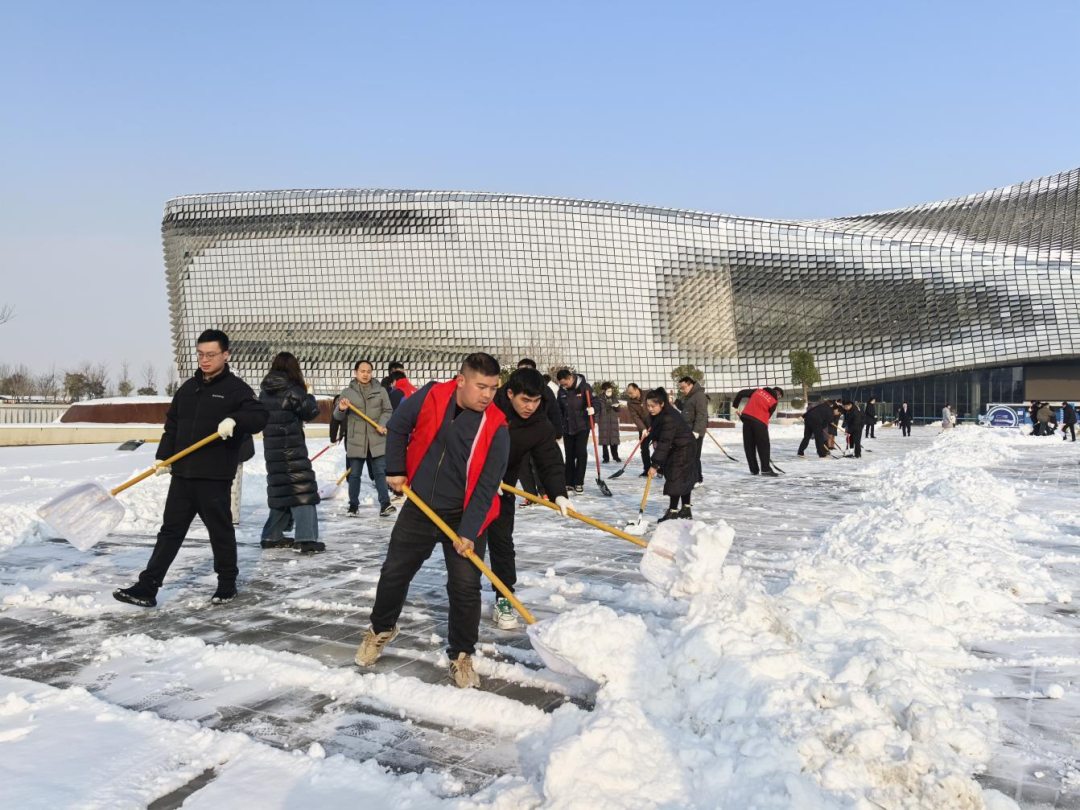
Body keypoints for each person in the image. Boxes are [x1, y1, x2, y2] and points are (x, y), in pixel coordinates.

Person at [354, 353, 510, 689]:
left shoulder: (496, 426)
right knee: (394, 571)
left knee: (466, 586)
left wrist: (468, 532)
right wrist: (395, 469)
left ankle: (462, 653)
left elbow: (486, 488)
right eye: (481, 386)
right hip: (420, 506)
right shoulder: (431, 394)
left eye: (493, 388)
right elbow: (397, 427)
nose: (487, 395)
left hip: (463, 514)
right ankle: (381, 629)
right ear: (461, 380)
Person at [113, 329, 269, 608]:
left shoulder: (236, 389)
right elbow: (172, 425)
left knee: (219, 531)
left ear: (225, 355)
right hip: (182, 473)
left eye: (211, 355)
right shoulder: (187, 388)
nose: (205, 360)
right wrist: (164, 458)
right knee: (170, 531)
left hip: (213, 474)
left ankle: (226, 584)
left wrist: (235, 419)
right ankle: (147, 587)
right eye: (200, 354)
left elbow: (259, 416)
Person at [487, 368, 571, 628]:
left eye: (536, 401)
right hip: (467, 484)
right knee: (465, 545)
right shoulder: (487, 409)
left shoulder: (539, 425)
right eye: (525, 400)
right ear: (510, 393)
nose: (531, 407)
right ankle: (462, 598)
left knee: (502, 542)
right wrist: (484, 474)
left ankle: (503, 597)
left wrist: (558, 493)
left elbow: (549, 460)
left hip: (504, 488)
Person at [258, 352, 323, 553]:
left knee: (281, 490)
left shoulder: (264, 392)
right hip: (292, 450)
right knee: (303, 490)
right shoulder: (293, 390)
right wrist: (308, 394)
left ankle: (272, 534)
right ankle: (306, 538)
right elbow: (311, 411)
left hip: (273, 451)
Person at [335, 360, 394, 517]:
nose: (366, 374)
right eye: (362, 371)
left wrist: (382, 424)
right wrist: (341, 408)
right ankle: (353, 505)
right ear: (355, 372)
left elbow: (388, 410)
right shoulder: (347, 393)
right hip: (356, 439)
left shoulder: (380, 391)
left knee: (380, 472)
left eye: (368, 371)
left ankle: (385, 504)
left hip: (377, 437)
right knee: (354, 474)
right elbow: (337, 415)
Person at [646, 388, 696, 521]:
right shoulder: (659, 414)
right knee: (682, 478)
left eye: (653, 406)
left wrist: (655, 465)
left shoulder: (669, 417)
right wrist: (654, 439)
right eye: (648, 406)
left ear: (661, 404)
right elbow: (658, 432)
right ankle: (686, 509)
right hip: (678, 446)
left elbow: (665, 441)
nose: (650, 409)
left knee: (675, 478)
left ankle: (673, 511)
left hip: (684, 448)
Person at [515, 358, 562, 500]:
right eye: (521, 369)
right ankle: (530, 494)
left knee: (539, 462)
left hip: (540, 433)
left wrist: (557, 431)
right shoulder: (513, 390)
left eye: (527, 369)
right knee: (522, 465)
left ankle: (544, 491)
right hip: (519, 433)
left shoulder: (544, 389)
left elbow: (554, 411)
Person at [556, 369, 596, 494]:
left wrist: (593, 409)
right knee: (569, 455)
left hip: (582, 426)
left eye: (565, 383)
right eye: (561, 384)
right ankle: (569, 482)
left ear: (570, 378)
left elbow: (597, 401)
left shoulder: (585, 387)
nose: (563, 386)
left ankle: (579, 482)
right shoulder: (562, 391)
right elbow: (559, 409)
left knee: (580, 453)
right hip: (567, 427)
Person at [732, 386, 783, 476]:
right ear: (778, 394)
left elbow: (741, 393)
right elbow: (768, 416)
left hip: (747, 419)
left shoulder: (758, 391)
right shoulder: (773, 402)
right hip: (760, 423)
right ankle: (765, 469)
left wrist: (735, 406)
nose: (778, 398)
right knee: (764, 446)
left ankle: (754, 470)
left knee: (749, 445)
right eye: (779, 397)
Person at [677, 377, 708, 486]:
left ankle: (696, 479)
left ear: (690, 385)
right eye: (680, 388)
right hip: (688, 431)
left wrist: (696, 431)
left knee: (693, 456)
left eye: (683, 387)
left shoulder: (699, 396)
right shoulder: (691, 397)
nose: (682, 390)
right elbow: (688, 412)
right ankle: (696, 478)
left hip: (695, 432)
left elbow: (701, 415)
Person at [625, 383, 651, 476]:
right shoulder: (630, 403)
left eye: (631, 393)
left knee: (659, 447)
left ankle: (661, 469)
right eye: (628, 394)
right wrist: (643, 428)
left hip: (655, 425)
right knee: (644, 448)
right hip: (643, 427)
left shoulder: (649, 394)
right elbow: (635, 417)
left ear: (636, 389)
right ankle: (647, 469)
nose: (630, 395)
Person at [597, 382, 622, 463]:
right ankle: (606, 458)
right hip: (603, 421)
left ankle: (615, 456)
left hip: (613, 421)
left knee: (614, 440)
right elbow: (597, 410)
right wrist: (595, 421)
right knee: (604, 441)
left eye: (610, 390)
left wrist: (617, 406)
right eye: (608, 390)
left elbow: (618, 410)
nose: (609, 392)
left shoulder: (614, 397)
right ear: (604, 390)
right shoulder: (600, 398)